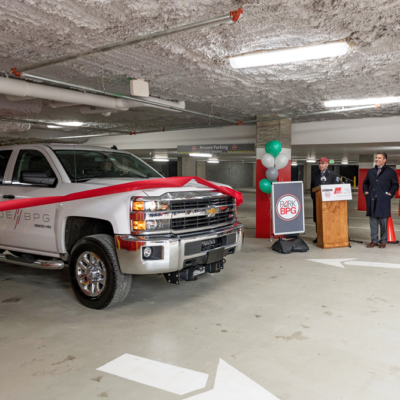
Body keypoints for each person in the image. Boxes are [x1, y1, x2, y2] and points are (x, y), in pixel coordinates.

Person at [363, 152, 399, 248]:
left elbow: (395, 185)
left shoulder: (390, 172)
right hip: (372, 200)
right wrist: (366, 192)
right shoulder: (370, 171)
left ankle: (383, 241)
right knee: (373, 222)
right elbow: (365, 183)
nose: (377, 159)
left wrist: (390, 193)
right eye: (376, 158)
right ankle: (374, 241)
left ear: (384, 160)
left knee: (383, 222)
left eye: (379, 158)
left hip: (383, 200)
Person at [310, 157, 338, 243]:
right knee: (318, 219)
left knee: (328, 219)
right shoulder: (314, 174)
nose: (320, 165)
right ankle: (319, 237)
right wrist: (314, 197)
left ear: (327, 164)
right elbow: (312, 187)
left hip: (328, 203)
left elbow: (335, 188)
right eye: (319, 163)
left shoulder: (333, 174)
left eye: (322, 163)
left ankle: (328, 236)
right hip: (317, 201)